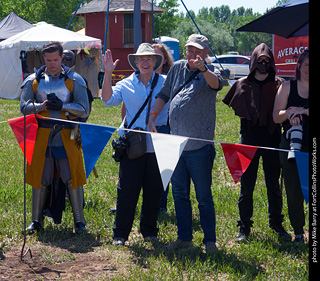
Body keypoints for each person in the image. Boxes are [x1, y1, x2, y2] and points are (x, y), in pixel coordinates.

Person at [149, 34, 223, 254]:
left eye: (198, 51)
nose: (194, 54)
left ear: (206, 52)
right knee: (179, 194)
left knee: (203, 196)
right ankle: (184, 238)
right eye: (190, 50)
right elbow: (164, 94)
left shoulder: (210, 72)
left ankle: (210, 241)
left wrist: (203, 69)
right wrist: (153, 116)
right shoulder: (178, 67)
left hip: (199, 147)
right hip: (175, 143)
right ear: (185, 50)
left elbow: (217, 84)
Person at [222, 43, 290, 242]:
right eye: (259, 60)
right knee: (247, 187)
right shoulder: (242, 84)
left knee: (273, 186)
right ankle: (244, 226)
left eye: (266, 61)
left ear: (271, 63)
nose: (262, 64)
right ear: (253, 61)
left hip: (272, 140)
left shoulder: (279, 84)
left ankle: (276, 223)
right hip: (249, 141)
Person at [101, 43, 167, 246]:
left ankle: (149, 232)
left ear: (156, 62)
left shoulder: (165, 82)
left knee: (154, 190)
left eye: (149, 59)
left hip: (159, 144)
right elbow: (107, 99)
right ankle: (120, 234)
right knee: (127, 190)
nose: (145, 62)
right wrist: (108, 73)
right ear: (136, 62)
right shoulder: (125, 83)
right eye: (141, 59)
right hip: (133, 144)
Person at [20, 41, 90, 233]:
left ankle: (79, 221)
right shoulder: (33, 81)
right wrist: (40, 107)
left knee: (71, 177)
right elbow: (23, 108)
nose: (52, 63)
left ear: (62, 57)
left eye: (56, 59)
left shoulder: (74, 79)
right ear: (44, 58)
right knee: (40, 177)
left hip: (67, 134)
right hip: (42, 135)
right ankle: (36, 220)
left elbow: (84, 109)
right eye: (49, 60)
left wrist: (63, 106)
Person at [273, 50, 309, 243]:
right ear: (299, 67)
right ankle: (298, 231)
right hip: (291, 144)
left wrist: (302, 110)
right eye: (306, 65)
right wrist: (289, 114)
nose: (309, 69)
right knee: (293, 189)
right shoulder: (287, 86)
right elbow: (276, 116)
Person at [152, 43, 174, 214]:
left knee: (163, 170)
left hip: (164, 127)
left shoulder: (170, 80)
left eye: (157, 56)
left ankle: (161, 206)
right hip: (141, 129)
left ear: (164, 59)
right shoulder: (139, 78)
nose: (153, 60)